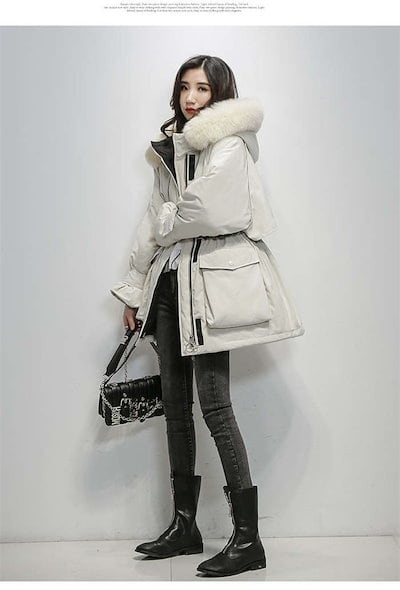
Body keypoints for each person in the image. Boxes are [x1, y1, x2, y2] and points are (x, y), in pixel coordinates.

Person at [110, 54, 305, 577]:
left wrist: (170, 219)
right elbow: (152, 222)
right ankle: (185, 526)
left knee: (215, 406)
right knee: (176, 407)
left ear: (220, 94)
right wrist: (134, 290)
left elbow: (212, 212)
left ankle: (248, 540)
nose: (191, 98)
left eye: (202, 89)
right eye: (184, 88)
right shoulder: (171, 148)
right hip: (170, 284)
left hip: (211, 290)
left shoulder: (230, 144)